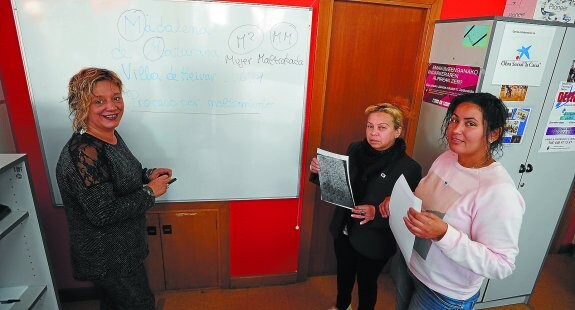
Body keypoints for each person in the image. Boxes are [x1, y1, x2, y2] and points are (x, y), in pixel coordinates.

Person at [380, 92, 525, 310]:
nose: (456, 129)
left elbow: (501, 265)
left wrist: (443, 234)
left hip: (444, 292)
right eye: (455, 120)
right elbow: (425, 200)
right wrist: (400, 201)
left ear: (493, 134)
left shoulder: (499, 191)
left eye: (470, 124)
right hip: (411, 263)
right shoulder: (447, 157)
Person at [56, 67, 173, 310]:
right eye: (99, 101)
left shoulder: (110, 134)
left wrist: (147, 175)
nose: (112, 107)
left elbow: (119, 176)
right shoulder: (83, 152)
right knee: (140, 305)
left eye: (116, 98)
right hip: (107, 257)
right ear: (81, 106)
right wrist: (150, 191)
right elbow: (103, 213)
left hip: (125, 250)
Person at [310, 103, 422, 310]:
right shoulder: (355, 149)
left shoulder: (410, 168)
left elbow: (407, 213)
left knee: (367, 285)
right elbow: (341, 185)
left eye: (382, 127)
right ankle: (342, 306)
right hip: (344, 228)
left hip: (374, 239)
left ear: (397, 131)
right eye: (370, 126)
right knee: (344, 275)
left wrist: (376, 214)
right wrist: (320, 172)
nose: (374, 133)